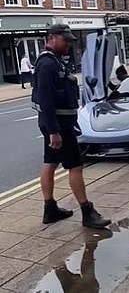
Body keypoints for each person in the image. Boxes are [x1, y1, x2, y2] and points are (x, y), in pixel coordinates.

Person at [32, 24, 111, 229]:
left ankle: (50, 209)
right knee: (75, 166)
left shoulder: (54, 61)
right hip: (58, 125)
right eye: (65, 40)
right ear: (51, 38)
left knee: (50, 162)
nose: (69, 44)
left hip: (58, 123)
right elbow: (47, 100)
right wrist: (54, 132)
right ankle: (87, 212)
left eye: (70, 40)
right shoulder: (48, 64)